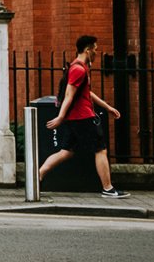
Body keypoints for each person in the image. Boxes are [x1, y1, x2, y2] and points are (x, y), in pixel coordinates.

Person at [36, 35, 127, 197]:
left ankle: (38, 175)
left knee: (66, 151)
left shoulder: (78, 67)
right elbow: (69, 95)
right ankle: (108, 188)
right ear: (87, 49)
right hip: (83, 118)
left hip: (76, 118)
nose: (96, 53)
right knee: (100, 150)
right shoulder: (78, 69)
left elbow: (86, 92)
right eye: (95, 50)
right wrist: (60, 117)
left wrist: (107, 107)